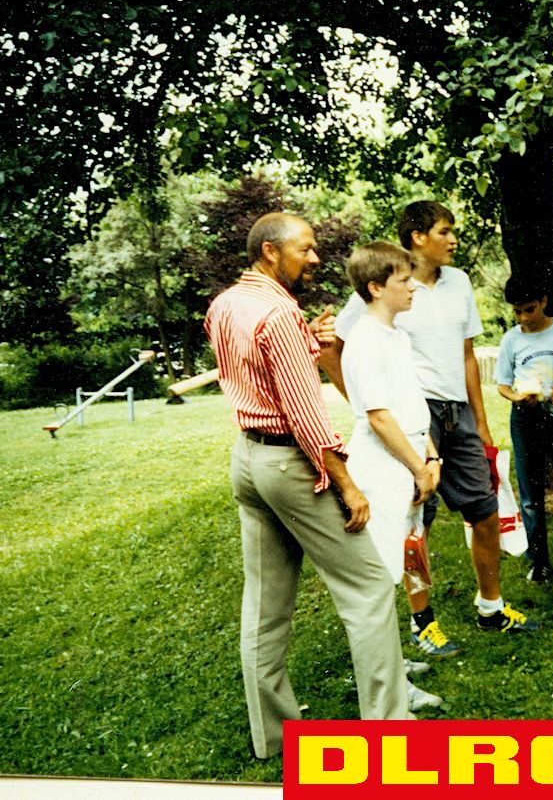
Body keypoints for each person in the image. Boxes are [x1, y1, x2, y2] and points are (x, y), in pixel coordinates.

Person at [204, 213, 412, 759]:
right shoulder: (278, 313)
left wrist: (304, 340)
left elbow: (249, 368)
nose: (315, 258)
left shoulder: (226, 303)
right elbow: (305, 414)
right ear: (270, 252)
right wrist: (346, 484)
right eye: (306, 249)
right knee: (368, 587)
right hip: (290, 465)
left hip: (248, 460)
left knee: (265, 603)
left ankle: (271, 737)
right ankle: (391, 733)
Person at [327, 201, 537, 659]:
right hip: (409, 421)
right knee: (415, 525)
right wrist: (369, 406)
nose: (453, 239)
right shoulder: (381, 286)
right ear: (418, 236)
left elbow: (467, 355)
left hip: (457, 414)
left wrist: (481, 424)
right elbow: (331, 349)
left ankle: (491, 607)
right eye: (444, 230)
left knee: (484, 508)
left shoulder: (458, 282)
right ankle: (423, 623)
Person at [339, 241, 445, 710]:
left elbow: (409, 407)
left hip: (410, 459)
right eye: (403, 280)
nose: (413, 287)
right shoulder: (364, 341)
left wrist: (431, 456)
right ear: (376, 287)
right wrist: (418, 467)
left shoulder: (396, 337)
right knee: (380, 578)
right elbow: (379, 417)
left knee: (404, 562)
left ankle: (393, 662)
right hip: (383, 468)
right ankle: (388, 684)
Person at [495, 274, 553, 583]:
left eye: (529, 309)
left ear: (543, 301)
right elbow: (503, 383)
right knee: (531, 492)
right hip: (527, 416)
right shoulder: (511, 339)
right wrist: (518, 397)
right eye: (517, 312)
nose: (523, 318)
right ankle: (539, 560)